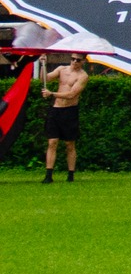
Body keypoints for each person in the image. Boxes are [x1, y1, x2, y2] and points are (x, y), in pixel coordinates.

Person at [40, 52, 86, 183]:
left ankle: (70, 174)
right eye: (73, 59)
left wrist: (52, 93)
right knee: (52, 142)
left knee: (69, 143)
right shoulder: (61, 69)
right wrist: (43, 64)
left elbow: (72, 94)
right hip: (56, 109)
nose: (75, 62)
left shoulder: (83, 76)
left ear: (83, 61)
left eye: (78, 60)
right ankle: (49, 175)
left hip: (70, 111)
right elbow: (45, 79)